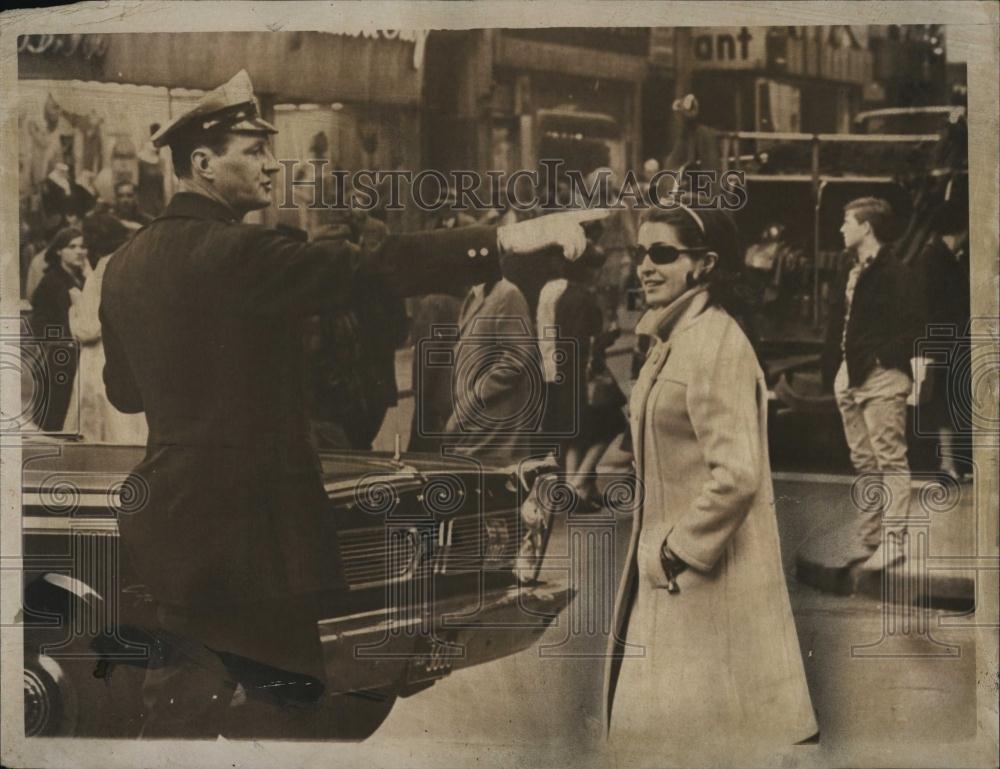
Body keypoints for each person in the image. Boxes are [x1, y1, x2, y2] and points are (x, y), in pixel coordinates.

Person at [98, 69, 588, 739]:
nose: (273, 164)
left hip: (175, 529)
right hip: (258, 539)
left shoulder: (124, 264)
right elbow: (370, 268)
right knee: (284, 720)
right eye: (254, 148)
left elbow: (123, 390)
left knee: (177, 715)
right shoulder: (241, 253)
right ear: (204, 163)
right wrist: (498, 242)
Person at [604, 204, 817, 759]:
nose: (645, 267)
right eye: (641, 253)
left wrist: (675, 552)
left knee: (701, 741)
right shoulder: (675, 338)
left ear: (704, 265)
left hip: (705, 579)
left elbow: (737, 474)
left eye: (663, 254)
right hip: (675, 582)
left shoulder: (714, 342)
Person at [824, 197, 919, 571]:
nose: (841, 228)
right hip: (850, 373)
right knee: (864, 460)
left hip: (880, 376)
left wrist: (882, 358)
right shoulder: (849, 268)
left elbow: (914, 325)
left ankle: (893, 541)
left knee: (890, 459)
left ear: (867, 227)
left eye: (847, 221)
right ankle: (871, 540)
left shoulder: (895, 272)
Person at [63, 215, 148, 443]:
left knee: (101, 430)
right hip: (128, 352)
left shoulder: (101, 271)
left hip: (99, 357)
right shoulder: (129, 264)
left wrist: (74, 309)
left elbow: (88, 329)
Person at [443, 272, 540, 464]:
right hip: (478, 421)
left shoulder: (507, 294)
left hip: (497, 420)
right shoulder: (474, 295)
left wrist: (468, 404)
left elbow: (516, 358)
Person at [28, 227, 89, 432]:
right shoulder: (51, 281)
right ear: (58, 252)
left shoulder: (83, 279)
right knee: (56, 416)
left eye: (82, 246)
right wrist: (65, 338)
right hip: (59, 357)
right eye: (72, 247)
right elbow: (39, 324)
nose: (80, 251)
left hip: (80, 353)